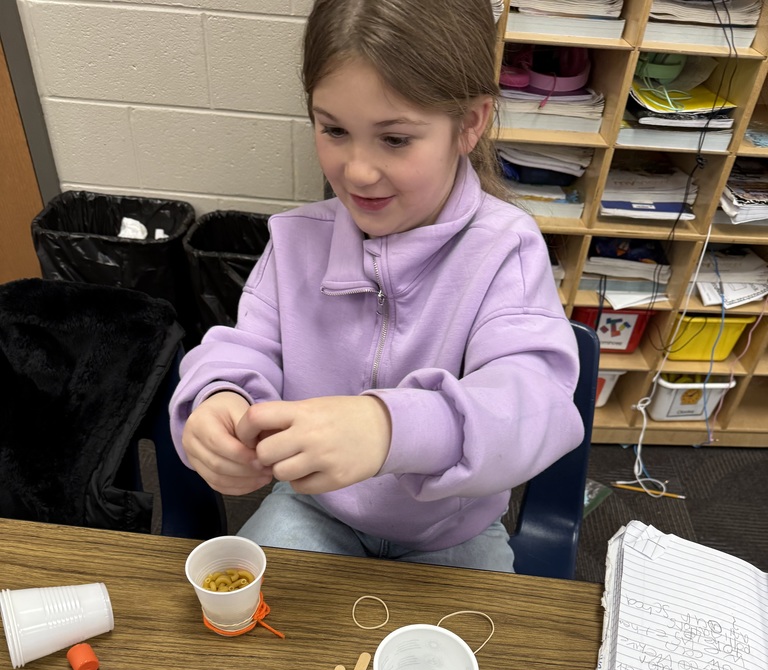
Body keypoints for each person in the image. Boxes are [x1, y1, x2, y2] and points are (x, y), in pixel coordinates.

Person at [170, 0, 583, 571]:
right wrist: (218, 401)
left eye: (394, 139)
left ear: (469, 123)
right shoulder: (294, 244)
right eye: (334, 129)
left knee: (487, 655)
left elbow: (534, 406)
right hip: (316, 511)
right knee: (244, 644)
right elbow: (243, 350)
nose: (358, 171)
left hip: (451, 531)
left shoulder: (504, 249)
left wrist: (392, 427)